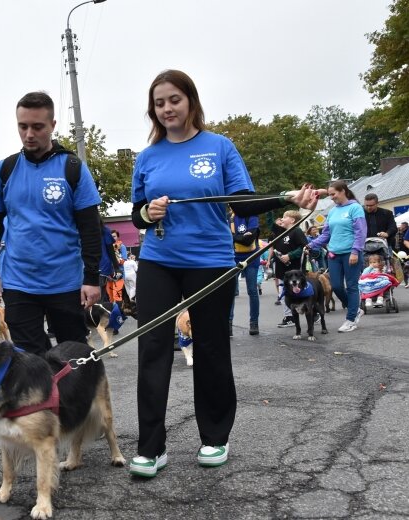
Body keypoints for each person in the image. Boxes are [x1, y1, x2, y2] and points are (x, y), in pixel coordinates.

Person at [128, 69, 322, 478]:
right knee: (153, 350)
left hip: (210, 261)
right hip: (158, 260)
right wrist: (149, 212)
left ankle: (214, 437)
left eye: (174, 100)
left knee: (213, 348)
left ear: (191, 101)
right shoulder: (147, 157)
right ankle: (151, 448)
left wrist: (288, 197)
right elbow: (138, 215)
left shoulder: (219, 147)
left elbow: (244, 203)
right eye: (159, 103)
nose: (166, 109)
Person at [0, 91, 102, 356]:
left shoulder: (72, 168)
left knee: (75, 360)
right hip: (19, 283)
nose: (29, 134)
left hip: (66, 283)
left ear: (53, 125)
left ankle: (72, 399)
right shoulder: (4, 170)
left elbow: (91, 228)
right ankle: (45, 398)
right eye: (22, 126)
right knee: (30, 364)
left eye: (37, 127)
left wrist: (92, 278)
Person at [307, 180, 366, 332]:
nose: (331, 197)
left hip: (351, 253)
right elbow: (326, 234)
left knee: (352, 286)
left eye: (333, 194)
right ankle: (356, 309)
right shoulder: (333, 211)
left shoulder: (355, 208)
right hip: (334, 254)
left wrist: (355, 251)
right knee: (337, 286)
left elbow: (360, 233)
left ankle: (351, 318)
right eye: (330, 194)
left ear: (343, 191)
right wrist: (311, 244)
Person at [271, 211, 308, 329]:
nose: (282, 219)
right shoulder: (281, 232)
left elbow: (304, 247)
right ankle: (289, 317)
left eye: (284, 217)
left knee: (300, 293)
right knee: (283, 293)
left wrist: (289, 256)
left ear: (292, 220)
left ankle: (312, 313)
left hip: (294, 269)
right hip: (282, 268)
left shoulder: (296, 231)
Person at [229, 211, 260, 335]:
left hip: (251, 257)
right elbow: (225, 236)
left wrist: (234, 236)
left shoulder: (251, 215)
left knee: (252, 290)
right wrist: (241, 237)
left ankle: (254, 323)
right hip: (233, 257)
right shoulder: (228, 217)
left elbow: (249, 240)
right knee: (230, 291)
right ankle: (229, 324)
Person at [106, 230, 128, 303]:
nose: (112, 238)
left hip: (119, 275)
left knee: (117, 296)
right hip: (109, 275)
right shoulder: (107, 247)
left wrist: (115, 257)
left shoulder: (122, 246)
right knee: (110, 297)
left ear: (118, 237)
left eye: (114, 236)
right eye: (111, 237)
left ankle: (118, 313)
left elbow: (123, 260)